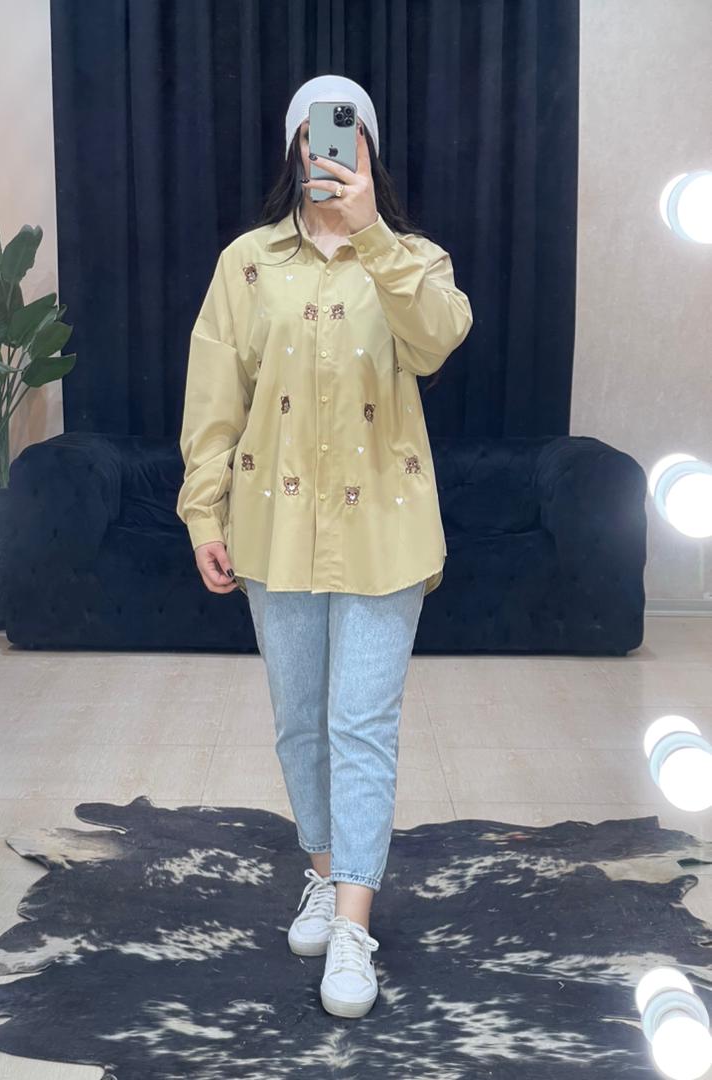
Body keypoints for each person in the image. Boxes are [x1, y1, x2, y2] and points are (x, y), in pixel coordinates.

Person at [177, 74, 473, 1018]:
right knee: (300, 720)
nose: (329, 152)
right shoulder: (247, 263)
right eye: (313, 136)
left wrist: (372, 232)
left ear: (368, 150)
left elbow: (438, 340)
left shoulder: (413, 259)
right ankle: (320, 872)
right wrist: (204, 513)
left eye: (346, 137)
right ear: (294, 149)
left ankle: (353, 925)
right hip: (273, 526)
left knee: (361, 724)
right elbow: (215, 397)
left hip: (386, 528)